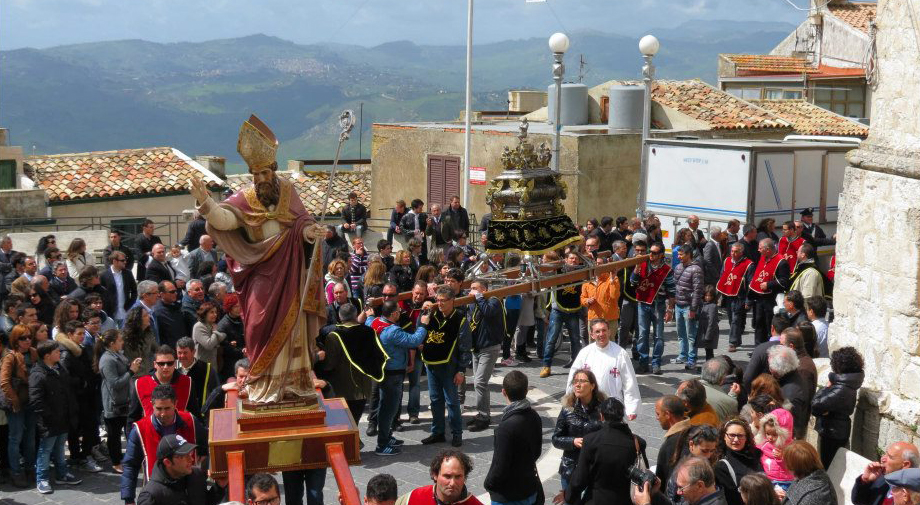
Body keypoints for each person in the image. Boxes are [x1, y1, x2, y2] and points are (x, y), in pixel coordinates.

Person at [189, 115, 329, 405]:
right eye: (255, 174)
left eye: (265, 173)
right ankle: (265, 385)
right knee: (257, 326)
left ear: (274, 169)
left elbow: (302, 223)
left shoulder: (288, 191)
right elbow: (225, 220)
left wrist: (310, 232)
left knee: (293, 329)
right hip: (259, 275)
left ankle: (294, 383)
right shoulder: (244, 198)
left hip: (290, 273)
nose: (261, 179)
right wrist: (206, 204)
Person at [121, 385, 207, 505]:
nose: (163, 413)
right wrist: (128, 499)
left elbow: (204, 444)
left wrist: (201, 474)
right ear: (152, 404)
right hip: (159, 492)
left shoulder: (190, 420)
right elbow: (130, 465)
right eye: (159, 408)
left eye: (167, 408)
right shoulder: (140, 429)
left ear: (175, 404)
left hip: (189, 486)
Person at [369, 300, 428, 455]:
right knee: (389, 409)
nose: (400, 313)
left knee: (385, 406)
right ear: (394, 314)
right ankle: (382, 445)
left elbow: (368, 319)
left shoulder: (375, 322)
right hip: (393, 374)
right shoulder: (393, 331)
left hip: (384, 372)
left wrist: (369, 313)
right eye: (399, 311)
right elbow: (414, 340)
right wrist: (423, 325)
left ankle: (387, 437)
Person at [566, 397, 646, 505]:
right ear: (622, 416)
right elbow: (643, 473)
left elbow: (580, 478)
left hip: (596, 500)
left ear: (601, 416)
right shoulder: (637, 443)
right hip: (625, 500)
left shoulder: (591, 440)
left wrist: (569, 497)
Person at [420, 287, 471, 448]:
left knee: (452, 401)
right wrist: (424, 310)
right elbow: (420, 328)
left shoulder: (460, 319)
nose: (440, 303)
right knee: (435, 400)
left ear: (452, 301)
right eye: (438, 300)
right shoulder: (432, 314)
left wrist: (461, 370)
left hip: (449, 365)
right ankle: (438, 432)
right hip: (431, 364)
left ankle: (457, 433)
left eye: (443, 300)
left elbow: (465, 347)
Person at [29, 339, 83, 493]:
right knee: (45, 450)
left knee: (60, 447)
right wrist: (49, 416)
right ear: (47, 355)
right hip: (50, 420)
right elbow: (36, 401)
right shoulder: (38, 374)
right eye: (56, 351)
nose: (60, 353)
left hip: (64, 417)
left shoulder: (60, 368)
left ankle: (62, 473)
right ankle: (42, 479)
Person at [322, 303, 387, 427]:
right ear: (356, 315)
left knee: (344, 425)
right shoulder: (369, 331)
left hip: (343, 388)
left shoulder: (334, 336)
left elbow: (329, 364)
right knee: (354, 422)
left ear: (340, 317)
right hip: (364, 387)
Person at [484, 371, 542, 505]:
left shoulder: (505, 428)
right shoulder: (534, 416)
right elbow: (537, 452)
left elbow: (500, 467)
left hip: (508, 496)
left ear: (503, 392)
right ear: (526, 391)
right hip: (529, 488)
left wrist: (489, 484)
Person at [566, 319, 640, 419]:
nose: (601, 334)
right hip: (588, 406)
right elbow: (573, 378)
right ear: (592, 335)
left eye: (604, 330)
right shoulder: (585, 353)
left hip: (612, 407)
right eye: (597, 331)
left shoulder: (620, 353)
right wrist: (570, 401)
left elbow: (629, 381)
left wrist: (632, 408)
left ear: (609, 332)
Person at [96, 329, 142, 474]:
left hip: (124, 401)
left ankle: (130, 458)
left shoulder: (117, 355)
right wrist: (131, 371)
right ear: (112, 343)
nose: (122, 342)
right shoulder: (107, 359)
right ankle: (116, 462)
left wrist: (131, 366)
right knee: (114, 435)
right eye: (120, 340)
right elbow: (114, 383)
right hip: (114, 403)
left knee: (127, 431)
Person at [554, 368, 606, 494]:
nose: (577, 385)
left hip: (594, 469)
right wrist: (573, 441)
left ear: (592, 386)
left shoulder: (603, 409)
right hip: (571, 469)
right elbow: (556, 439)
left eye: (582, 381)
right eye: (575, 381)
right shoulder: (567, 409)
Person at [136, 434, 226, 505]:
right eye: (183, 456)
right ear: (167, 462)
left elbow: (205, 502)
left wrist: (219, 487)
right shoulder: (150, 496)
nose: (191, 459)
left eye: (190, 454)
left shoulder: (196, 474)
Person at [811, 346, 864, 468]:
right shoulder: (847, 383)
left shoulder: (841, 388)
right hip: (835, 431)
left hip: (832, 433)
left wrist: (826, 388)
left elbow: (815, 405)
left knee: (829, 466)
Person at [1, 324, 38, 488]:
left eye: (29, 337)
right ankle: (15, 471)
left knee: (30, 438)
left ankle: (30, 468)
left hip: (31, 402)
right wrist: (14, 401)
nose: (27, 340)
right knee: (15, 438)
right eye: (23, 338)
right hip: (16, 404)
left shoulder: (34, 352)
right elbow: (4, 382)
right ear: (16, 340)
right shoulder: (10, 357)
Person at [631, 241, 676, 375]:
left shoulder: (667, 270)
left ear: (661, 254)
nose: (651, 255)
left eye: (654, 253)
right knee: (642, 334)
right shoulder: (642, 264)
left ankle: (656, 363)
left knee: (658, 336)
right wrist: (636, 268)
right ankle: (643, 362)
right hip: (642, 303)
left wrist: (670, 310)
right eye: (650, 252)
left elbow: (672, 291)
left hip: (658, 305)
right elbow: (633, 282)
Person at [541, 252, 586, 378]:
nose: (574, 260)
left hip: (574, 310)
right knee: (551, 339)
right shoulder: (557, 270)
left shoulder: (582, 270)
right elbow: (544, 271)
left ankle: (576, 365)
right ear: (566, 260)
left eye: (576, 258)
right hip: (558, 310)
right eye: (571, 258)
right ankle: (546, 366)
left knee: (575, 339)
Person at [128, 345, 192, 425]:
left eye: (169, 363)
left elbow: (195, 416)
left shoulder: (187, 382)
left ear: (175, 363)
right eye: (161, 364)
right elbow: (133, 418)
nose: (165, 367)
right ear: (155, 364)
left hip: (179, 431)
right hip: (150, 431)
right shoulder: (140, 384)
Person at [397, 449, 482, 505]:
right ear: (435, 475)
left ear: (465, 477)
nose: (452, 483)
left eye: (458, 477)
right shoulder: (413, 498)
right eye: (447, 476)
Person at [747, 239, 790, 346]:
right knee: (758, 324)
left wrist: (768, 284)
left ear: (767, 249)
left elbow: (785, 282)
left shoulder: (781, 262)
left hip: (771, 299)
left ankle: (769, 348)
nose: (758, 250)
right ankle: (758, 348)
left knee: (769, 325)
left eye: (760, 248)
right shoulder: (763, 257)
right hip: (759, 298)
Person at [852, 442, 920, 505]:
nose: (882, 458)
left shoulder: (913, 494)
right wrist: (865, 480)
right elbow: (858, 501)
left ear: (905, 465)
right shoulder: (881, 478)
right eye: (885, 453)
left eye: (890, 457)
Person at [672, 243, 705, 372]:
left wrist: (693, 309)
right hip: (678, 305)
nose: (679, 257)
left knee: (691, 335)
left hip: (688, 307)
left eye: (681, 254)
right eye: (678, 254)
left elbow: (698, 290)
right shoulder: (678, 267)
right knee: (681, 333)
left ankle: (692, 359)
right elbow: (674, 286)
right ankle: (683, 355)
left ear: (688, 255)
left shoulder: (696, 269)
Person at [716, 418, 762, 505]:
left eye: (740, 435)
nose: (736, 439)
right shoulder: (721, 466)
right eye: (732, 435)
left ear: (746, 438)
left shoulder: (756, 455)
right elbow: (732, 498)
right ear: (724, 436)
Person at [767, 344, 809, 439]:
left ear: (776, 370)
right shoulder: (795, 375)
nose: (769, 370)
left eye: (770, 367)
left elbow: (789, 427)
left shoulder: (789, 395)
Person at [175, 337, 219, 421]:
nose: (182, 356)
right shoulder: (172, 368)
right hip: (178, 417)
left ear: (193, 352)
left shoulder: (206, 369)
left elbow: (214, 393)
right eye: (179, 353)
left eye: (185, 353)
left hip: (200, 417)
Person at [754, 408, 795, 490]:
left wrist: (782, 458)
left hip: (786, 482)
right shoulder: (764, 444)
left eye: (774, 435)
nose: (770, 437)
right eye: (767, 433)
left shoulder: (791, 448)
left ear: (784, 433)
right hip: (767, 480)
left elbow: (793, 467)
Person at [654, 395, 691, 485]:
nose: (657, 418)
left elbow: (664, 479)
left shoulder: (672, 443)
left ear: (667, 414)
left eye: (658, 414)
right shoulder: (693, 430)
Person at [101, 250, 137, 328]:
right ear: (114, 261)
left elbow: (134, 291)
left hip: (125, 312)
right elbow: (102, 294)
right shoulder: (104, 275)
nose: (125, 262)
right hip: (111, 314)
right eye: (122, 260)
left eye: (125, 260)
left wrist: (130, 304)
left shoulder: (128, 274)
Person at [123, 305, 159, 376]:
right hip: (132, 376)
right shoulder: (125, 337)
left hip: (147, 374)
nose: (149, 317)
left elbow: (157, 349)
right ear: (138, 320)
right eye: (145, 316)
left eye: (148, 314)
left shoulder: (148, 334)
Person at [700, 359, 739, 423]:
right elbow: (730, 423)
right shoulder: (730, 402)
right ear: (722, 378)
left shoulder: (686, 387)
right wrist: (732, 396)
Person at [153, 280, 186, 349]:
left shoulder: (177, 306)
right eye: (172, 292)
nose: (176, 293)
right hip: (168, 350)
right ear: (162, 294)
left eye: (176, 291)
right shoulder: (157, 312)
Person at [191, 301, 225, 367]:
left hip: (213, 364)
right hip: (202, 365)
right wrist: (215, 332)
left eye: (215, 312)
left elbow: (223, 336)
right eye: (212, 312)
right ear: (204, 314)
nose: (215, 314)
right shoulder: (199, 326)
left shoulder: (212, 325)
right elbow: (209, 345)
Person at [697, 286, 720, 362]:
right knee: (708, 350)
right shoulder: (704, 304)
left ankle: (710, 365)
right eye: (706, 295)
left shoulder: (712, 306)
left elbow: (712, 321)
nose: (707, 297)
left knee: (709, 351)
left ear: (713, 297)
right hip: (705, 330)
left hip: (709, 332)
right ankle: (709, 364)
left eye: (709, 296)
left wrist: (708, 335)